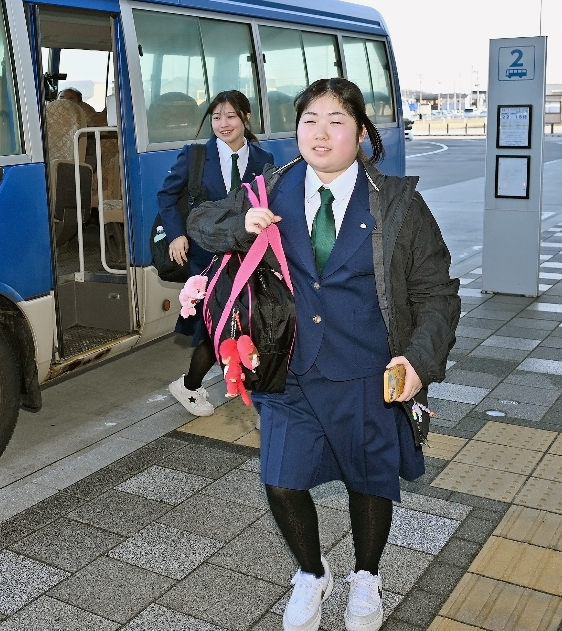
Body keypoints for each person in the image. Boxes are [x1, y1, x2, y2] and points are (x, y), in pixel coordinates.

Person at [188, 78, 458, 631]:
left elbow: (437, 292)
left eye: (337, 120)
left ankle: (367, 578)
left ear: (361, 131)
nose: (321, 132)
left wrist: (419, 361)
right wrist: (239, 224)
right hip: (290, 370)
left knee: (369, 481)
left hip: (367, 372)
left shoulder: (398, 204)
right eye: (309, 119)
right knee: (282, 480)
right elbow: (201, 222)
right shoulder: (270, 190)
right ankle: (312, 574)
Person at [160, 90, 274, 416]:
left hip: (247, 257)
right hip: (206, 256)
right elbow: (167, 196)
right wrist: (176, 234)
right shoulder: (196, 156)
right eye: (216, 117)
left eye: (231, 116)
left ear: (246, 119)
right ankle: (191, 386)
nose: (223, 124)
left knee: (241, 323)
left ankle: (229, 384)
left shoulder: (263, 160)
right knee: (219, 325)